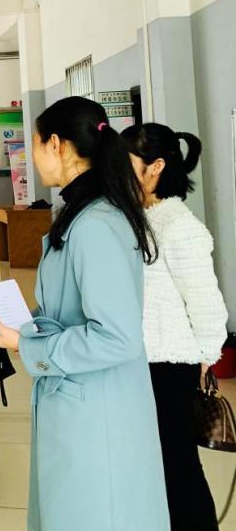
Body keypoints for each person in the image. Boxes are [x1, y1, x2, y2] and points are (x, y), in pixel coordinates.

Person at [0, 97, 169, 530]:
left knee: (95, 513)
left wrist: (27, 344)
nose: (33, 155)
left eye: (34, 143)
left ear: (56, 144)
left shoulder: (95, 224)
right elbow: (69, 307)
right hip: (82, 397)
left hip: (97, 410)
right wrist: (19, 325)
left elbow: (117, 337)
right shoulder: (82, 212)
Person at [122, 123, 227, 530]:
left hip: (170, 364)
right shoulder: (141, 218)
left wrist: (206, 356)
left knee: (178, 466)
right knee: (154, 464)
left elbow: (206, 302)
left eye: (126, 164)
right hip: (142, 361)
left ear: (156, 167)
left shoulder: (181, 227)